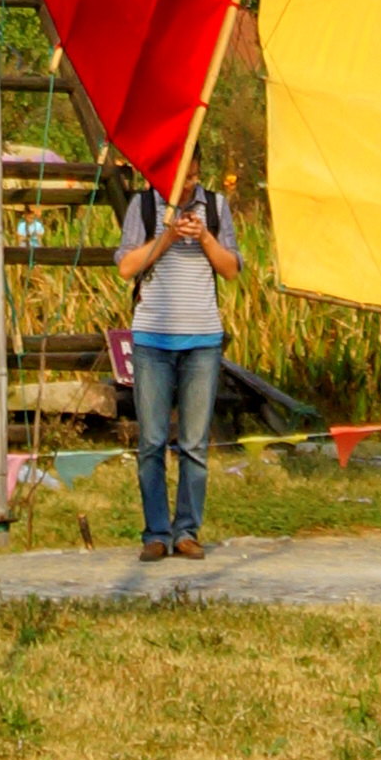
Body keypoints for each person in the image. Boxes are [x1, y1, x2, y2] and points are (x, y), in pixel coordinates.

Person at [118, 156, 241, 558]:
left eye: (193, 177)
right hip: (152, 338)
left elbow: (231, 269)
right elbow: (126, 267)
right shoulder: (145, 205)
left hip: (202, 338)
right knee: (152, 440)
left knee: (193, 443)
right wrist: (167, 237)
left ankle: (186, 529)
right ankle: (156, 532)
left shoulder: (217, 207)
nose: (187, 186)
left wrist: (204, 237)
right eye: (180, 177)